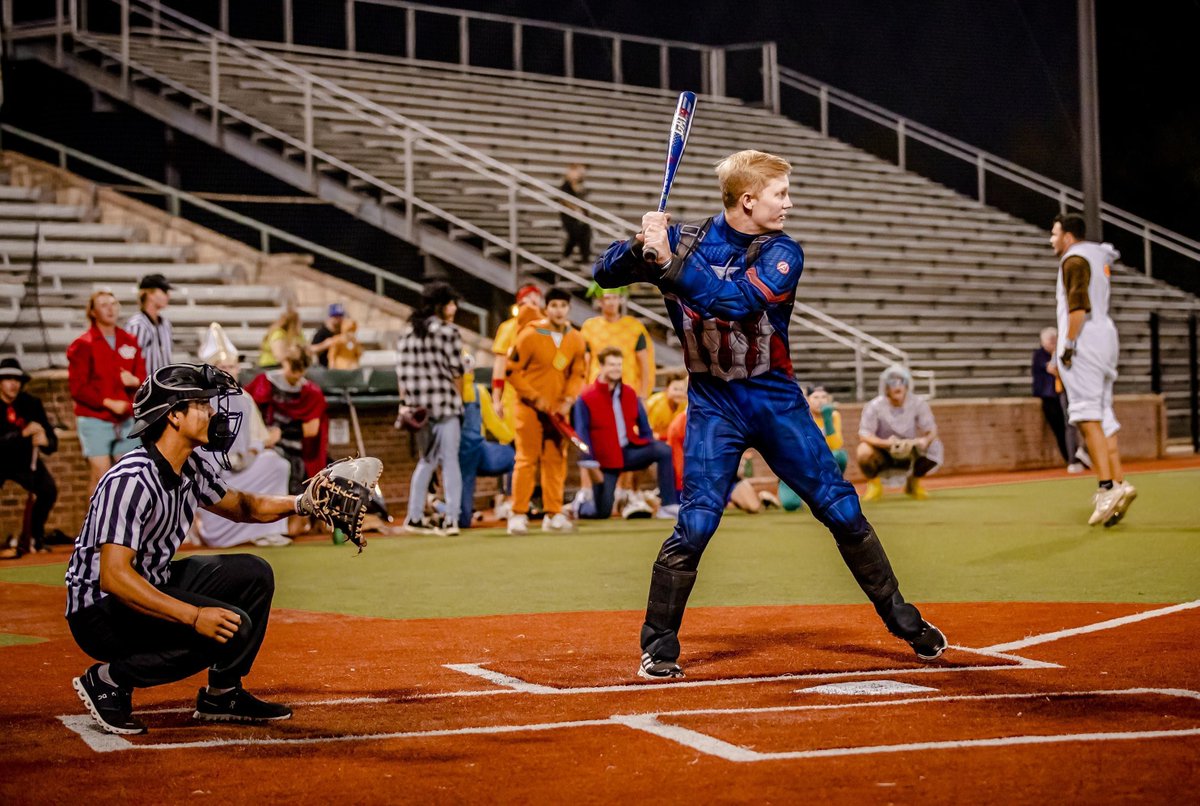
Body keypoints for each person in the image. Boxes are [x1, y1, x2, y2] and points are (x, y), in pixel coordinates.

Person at [595, 149, 946, 679]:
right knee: (694, 525)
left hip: (775, 400)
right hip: (713, 404)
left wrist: (668, 264)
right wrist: (638, 249)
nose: (789, 203)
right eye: (781, 194)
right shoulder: (683, 240)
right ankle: (659, 646)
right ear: (748, 199)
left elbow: (732, 302)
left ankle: (903, 619)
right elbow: (601, 275)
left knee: (841, 509)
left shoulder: (783, 252)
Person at [65, 363, 298, 736]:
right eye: (202, 405)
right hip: (101, 609)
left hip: (148, 582)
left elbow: (244, 507)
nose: (212, 412)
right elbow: (114, 575)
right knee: (230, 629)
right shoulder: (132, 479)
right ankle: (108, 679)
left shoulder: (189, 466)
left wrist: (305, 502)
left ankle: (222, 694)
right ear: (173, 415)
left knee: (253, 572)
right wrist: (192, 616)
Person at [1049, 213, 1136, 525]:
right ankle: (1119, 483)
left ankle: (1107, 487)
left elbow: (1077, 307)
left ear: (1068, 237)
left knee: (1086, 417)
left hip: (1085, 340)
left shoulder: (1073, 260)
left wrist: (1068, 345)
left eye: (1055, 233)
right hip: (1106, 338)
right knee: (1104, 417)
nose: (1051, 240)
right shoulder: (1097, 255)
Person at [195, 324, 293, 548]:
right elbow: (237, 455)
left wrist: (260, 445)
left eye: (232, 366)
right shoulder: (210, 400)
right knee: (272, 461)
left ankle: (267, 528)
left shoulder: (242, 397)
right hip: (214, 474)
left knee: (275, 463)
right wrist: (261, 444)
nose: (229, 370)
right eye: (223, 366)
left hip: (232, 468)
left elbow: (252, 444)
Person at [505, 287, 587, 535]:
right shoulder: (530, 334)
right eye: (554, 306)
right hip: (529, 408)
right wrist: (535, 397)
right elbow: (512, 371)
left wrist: (569, 399)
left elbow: (578, 373)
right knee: (525, 460)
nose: (559, 310)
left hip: (558, 411)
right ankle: (518, 514)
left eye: (563, 306)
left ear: (568, 309)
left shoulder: (576, 338)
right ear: (546, 308)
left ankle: (554, 513)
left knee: (555, 460)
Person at [571, 347, 678, 520]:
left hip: (630, 452)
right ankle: (581, 506)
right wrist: (589, 462)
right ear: (602, 366)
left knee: (663, 450)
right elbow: (582, 433)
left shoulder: (630, 393)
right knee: (602, 512)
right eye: (612, 364)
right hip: (605, 460)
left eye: (619, 365)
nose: (616, 368)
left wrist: (647, 446)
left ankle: (668, 505)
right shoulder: (586, 397)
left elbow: (645, 428)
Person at [396, 282, 465, 536]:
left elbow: (401, 376)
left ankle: (414, 516)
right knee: (450, 462)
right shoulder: (448, 331)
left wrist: (405, 404)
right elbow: (458, 370)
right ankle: (452, 519)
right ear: (440, 305)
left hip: (418, 410)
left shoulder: (406, 333)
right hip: (445, 405)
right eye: (450, 303)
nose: (454, 307)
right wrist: (461, 400)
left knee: (426, 461)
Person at [67, 291, 146, 496]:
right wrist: (107, 402)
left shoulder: (129, 340)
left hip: (126, 418)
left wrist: (135, 382)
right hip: (95, 419)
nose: (110, 308)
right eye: (103, 305)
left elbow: (143, 378)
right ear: (93, 312)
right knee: (101, 475)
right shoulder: (83, 344)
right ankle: (94, 526)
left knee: (129, 475)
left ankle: (123, 524)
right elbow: (78, 388)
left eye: (113, 303)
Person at [245, 346, 328, 535]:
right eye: (293, 367)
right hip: (262, 443)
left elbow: (311, 430)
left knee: (295, 473)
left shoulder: (310, 393)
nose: (297, 374)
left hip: (296, 448)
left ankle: (292, 524)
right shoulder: (265, 383)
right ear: (285, 363)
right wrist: (261, 435)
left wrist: (279, 433)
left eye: (301, 369)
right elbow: (247, 410)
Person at [856, 365, 943, 501]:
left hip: (910, 449)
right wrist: (886, 443)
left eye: (901, 382)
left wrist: (924, 441)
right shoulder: (874, 406)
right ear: (886, 387)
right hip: (883, 449)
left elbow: (931, 430)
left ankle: (913, 483)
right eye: (892, 382)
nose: (898, 386)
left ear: (907, 385)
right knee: (863, 451)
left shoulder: (918, 403)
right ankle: (874, 485)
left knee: (935, 445)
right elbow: (864, 435)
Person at [0, 358, 59, 559]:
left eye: (17, 379)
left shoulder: (31, 404)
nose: (13, 383)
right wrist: (22, 434)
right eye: (7, 378)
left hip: (23, 461)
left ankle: (34, 537)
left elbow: (52, 443)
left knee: (48, 490)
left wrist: (45, 440)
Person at [458, 358, 515, 527]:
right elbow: (494, 424)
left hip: (456, 451)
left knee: (462, 514)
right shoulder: (478, 391)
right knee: (516, 458)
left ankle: (440, 507)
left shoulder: (446, 392)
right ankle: (511, 503)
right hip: (476, 449)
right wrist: (512, 438)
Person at [579, 285, 655, 399]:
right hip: (597, 387)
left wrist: (644, 394)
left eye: (615, 298)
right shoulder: (589, 326)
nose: (611, 302)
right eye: (608, 298)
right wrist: (583, 390)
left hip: (628, 387)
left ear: (620, 300)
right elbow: (584, 362)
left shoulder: (634, 327)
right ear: (600, 301)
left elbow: (644, 362)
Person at [779, 385, 846, 511]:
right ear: (808, 399)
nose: (820, 400)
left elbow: (836, 445)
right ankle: (790, 486)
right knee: (790, 504)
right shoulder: (798, 415)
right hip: (800, 463)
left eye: (824, 397)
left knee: (839, 456)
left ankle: (833, 493)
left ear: (829, 400)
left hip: (823, 460)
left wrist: (827, 420)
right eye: (815, 397)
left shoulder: (833, 415)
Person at [491, 284, 545, 429]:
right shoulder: (508, 328)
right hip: (514, 394)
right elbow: (500, 364)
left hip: (543, 394)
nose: (531, 306)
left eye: (535, 302)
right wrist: (496, 399)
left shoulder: (547, 329)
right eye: (527, 301)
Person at [1032, 327, 1071, 467]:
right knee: (1060, 429)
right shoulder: (1040, 355)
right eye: (1051, 341)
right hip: (1049, 397)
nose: (1054, 344)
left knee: (1069, 428)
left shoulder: (1056, 353)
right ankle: (1070, 458)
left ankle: (1074, 456)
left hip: (1060, 395)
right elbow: (1052, 368)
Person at [124, 273, 175, 377]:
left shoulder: (165, 324)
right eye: (164, 291)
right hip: (145, 389)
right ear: (150, 294)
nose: (168, 295)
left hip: (165, 387)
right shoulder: (137, 325)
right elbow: (128, 362)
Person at [560, 163, 591, 264]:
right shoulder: (566, 185)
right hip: (569, 215)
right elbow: (564, 200)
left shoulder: (581, 186)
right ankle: (566, 256)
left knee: (586, 234)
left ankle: (585, 260)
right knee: (574, 234)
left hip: (581, 215)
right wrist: (575, 209)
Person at [645, 371, 688, 439]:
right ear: (666, 389)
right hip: (652, 438)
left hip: (670, 437)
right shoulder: (658, 404)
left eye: (682, 390)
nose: (679, 393)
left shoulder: (685, 404)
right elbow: (646, 430)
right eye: (675, 389)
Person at [309, 303, 347, 368]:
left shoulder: (343, 331)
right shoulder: (322, 332)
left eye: (340, 316)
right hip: (325, 368)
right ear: (330, 317)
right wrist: (324, 344)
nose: (338, 319)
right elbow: (311, 349)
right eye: (336, 316)